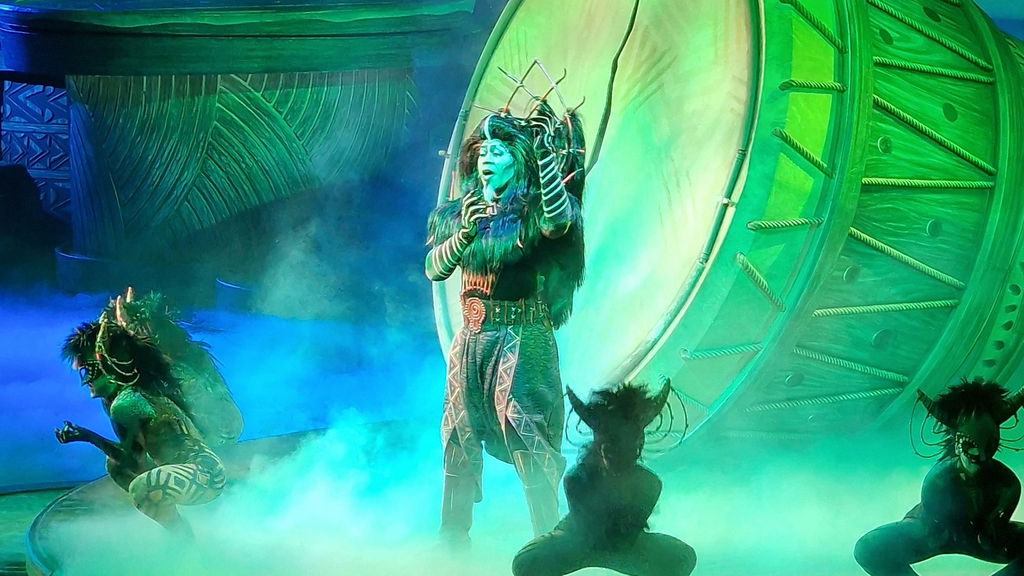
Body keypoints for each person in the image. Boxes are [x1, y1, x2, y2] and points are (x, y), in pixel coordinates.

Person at [425, 97, 586, 544]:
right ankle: (452, 537)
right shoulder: (459, 215)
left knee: (528, 433)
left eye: (499, 151)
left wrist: (546, 161)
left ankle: (549, 539)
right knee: (457, 436)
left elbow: (558, 223)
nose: (487, 158)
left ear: (517, 160)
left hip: (521, 337)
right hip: (470, 340)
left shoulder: (532, 214)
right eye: (483, 150)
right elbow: (434, 269)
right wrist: (463, 235)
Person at [56, 293, 227, 537]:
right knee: (116, 466)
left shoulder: (128, 403)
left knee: (141, 487)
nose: (85, 381)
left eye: (89, 371)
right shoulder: (130, 396)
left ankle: (183, 537)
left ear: (109, 366)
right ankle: (184, 531)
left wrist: (87, 437)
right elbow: (130, 459)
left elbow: (132, 460)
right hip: (197, 472)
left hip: (206, 475)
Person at [511, 380, 696, 576]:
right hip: (577, 544)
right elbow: (584, 533)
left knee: (683, 557)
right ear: (600, 448)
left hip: (625, 548)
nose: (617, 458)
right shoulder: (577, 480)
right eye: (612, 449)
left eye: (625, 450)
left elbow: (629, 535)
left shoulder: (649, 484)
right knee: (525, 563)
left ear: (636, 448)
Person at [855, 377, 1024, 576]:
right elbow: (932, 521)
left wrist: (989, 532)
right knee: (868, 548)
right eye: (971, 445)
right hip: (932, 532)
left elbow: (994, 529)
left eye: (989, 445)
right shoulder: (938, 478)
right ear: (957, 443)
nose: (981, 454)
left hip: (979, 538)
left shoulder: (1008, 483)